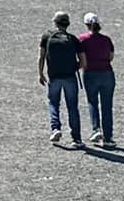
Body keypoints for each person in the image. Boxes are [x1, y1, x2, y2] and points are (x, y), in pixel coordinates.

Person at [38, 10, 86, 147]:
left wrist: (41, 73)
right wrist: (75, 67)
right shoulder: (73, 39)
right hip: (70, 77)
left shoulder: (47, 36)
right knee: (72, 107)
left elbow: (41, 56)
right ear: (68, 24)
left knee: (53, 103)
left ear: (55, 22)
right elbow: (83, 62)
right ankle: (76, 139)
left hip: (54, 76)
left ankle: (55, 128)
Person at [79, 13, 116, 149]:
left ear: (86, 25)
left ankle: (96, 130)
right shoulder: (106, 39)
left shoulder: (82, 39)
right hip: (107, 73)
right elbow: (111, 56)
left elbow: (82, 58)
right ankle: (108, 137)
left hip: (90, 73)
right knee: (107, 105)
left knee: (92, 102)